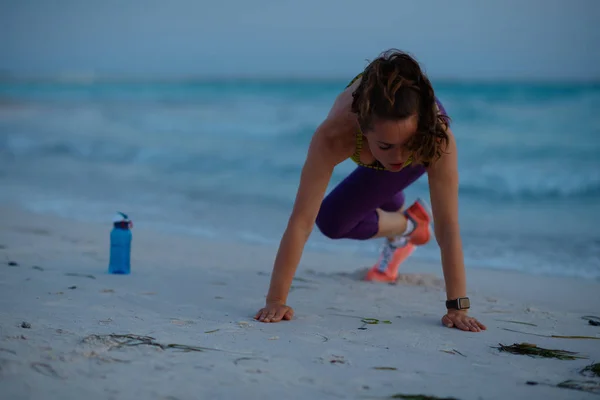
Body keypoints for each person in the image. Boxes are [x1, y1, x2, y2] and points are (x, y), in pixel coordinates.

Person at [254, 49, 487, 333]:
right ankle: (409, 224)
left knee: (382, 178)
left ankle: (409, 219)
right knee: (331, 221)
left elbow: (449, 226)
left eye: (406, 144)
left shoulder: (434, 138)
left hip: (414, 139)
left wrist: (457, 307)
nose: (399, 156)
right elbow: (301, 221)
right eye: (386, 146)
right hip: (372, 153)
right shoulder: (335, 135)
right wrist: (276, 299)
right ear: (362, 130)